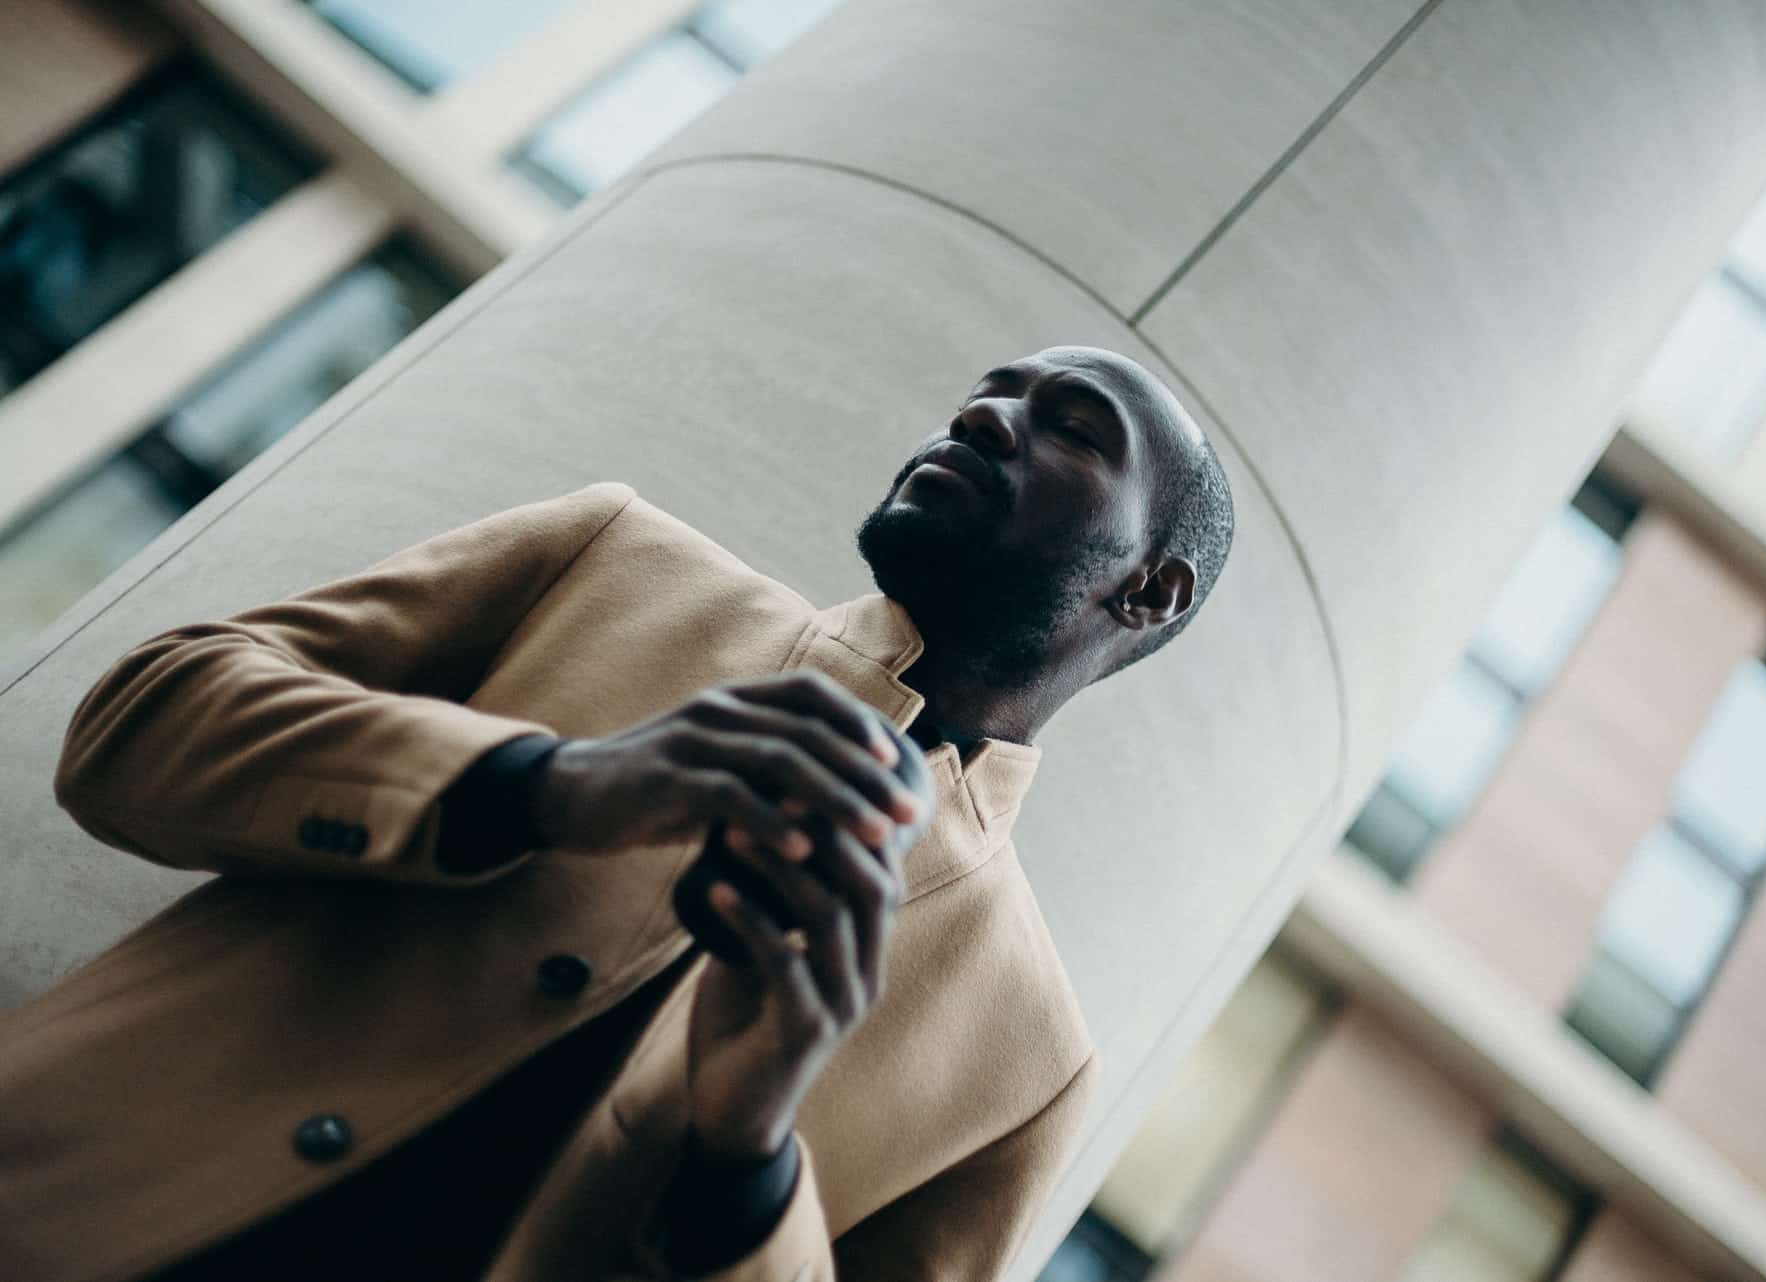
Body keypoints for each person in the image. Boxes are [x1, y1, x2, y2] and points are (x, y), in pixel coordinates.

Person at [0, 345, 1235, 1282]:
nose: (982, 415)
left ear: (1154, 585)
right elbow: (135, 722)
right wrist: (543, 783)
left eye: (1069, 427)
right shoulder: (607, 556)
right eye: (989, 389)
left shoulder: (1029, 1065)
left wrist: (745, 1156)